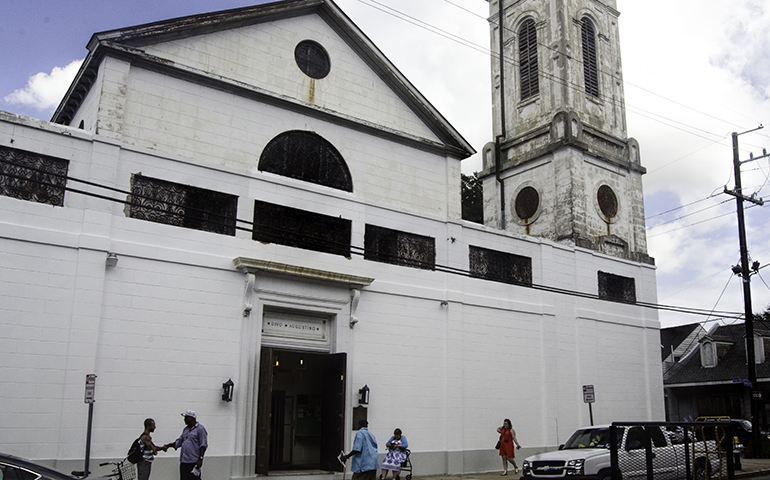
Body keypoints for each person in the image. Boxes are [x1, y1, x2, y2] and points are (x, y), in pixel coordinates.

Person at [164, 410, 208, 480]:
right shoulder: (185, 429)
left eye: (186, 417)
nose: (184, 419)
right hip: (184, 461)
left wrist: (200, 459)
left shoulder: (200, 429)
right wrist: (168, 445)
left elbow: (203, 445)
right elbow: (179, 441)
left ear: (192, 418)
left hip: (193, 461)